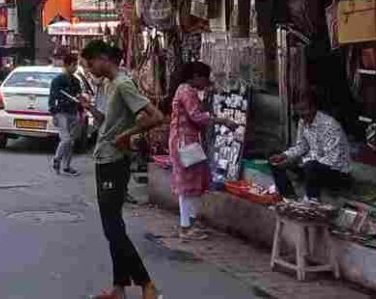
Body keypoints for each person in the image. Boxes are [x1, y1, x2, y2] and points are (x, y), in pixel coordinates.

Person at [80, 40, 164, 299]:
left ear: (104, 58)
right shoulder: (109, 85)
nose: (90, 69)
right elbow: (108, 122)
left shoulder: (124, 84)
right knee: (112, 228)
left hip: (115, 162)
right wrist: (91, 108)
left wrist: (127, 134)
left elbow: (156, 116)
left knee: (113, 228)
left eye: (91, 63)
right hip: (104, 159)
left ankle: (147, 284)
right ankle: (118, 288)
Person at [168, 62, 238, 240]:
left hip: (185, 141)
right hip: (185, 142)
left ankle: (189, 222)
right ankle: (186, 227)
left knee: (193, 182)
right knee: (188, 184)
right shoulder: (187, 91)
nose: (207, 81)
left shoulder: (184, 89)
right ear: (196, 76)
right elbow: (196, 116)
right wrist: (222, 121)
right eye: (205, 77)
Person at [269, 93, 351, 201]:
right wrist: (285, 156)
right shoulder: (303, 121)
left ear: (314, 108)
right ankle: (289, 197)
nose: (301, 114)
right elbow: (302, 146)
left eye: (304, 110)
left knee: (310, 167)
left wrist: (303, 163)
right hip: (313, 167)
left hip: (336, 172)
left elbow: (332, 161)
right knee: (275, 159)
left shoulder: (330, 125)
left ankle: (312, 203)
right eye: (299, 111)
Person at [49, 51, 83, 176]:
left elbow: (79, 96)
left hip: (73, 112)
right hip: (61, 112)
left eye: (76, 65)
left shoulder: (76, 81)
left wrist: (81, 108)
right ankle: (57, 159)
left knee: (71, 142)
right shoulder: (57, 80)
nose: (75, 68)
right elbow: (52, 98)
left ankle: (67, 166)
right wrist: (53, 114)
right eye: (74, 65)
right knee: (66, 139)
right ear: (67, 65)